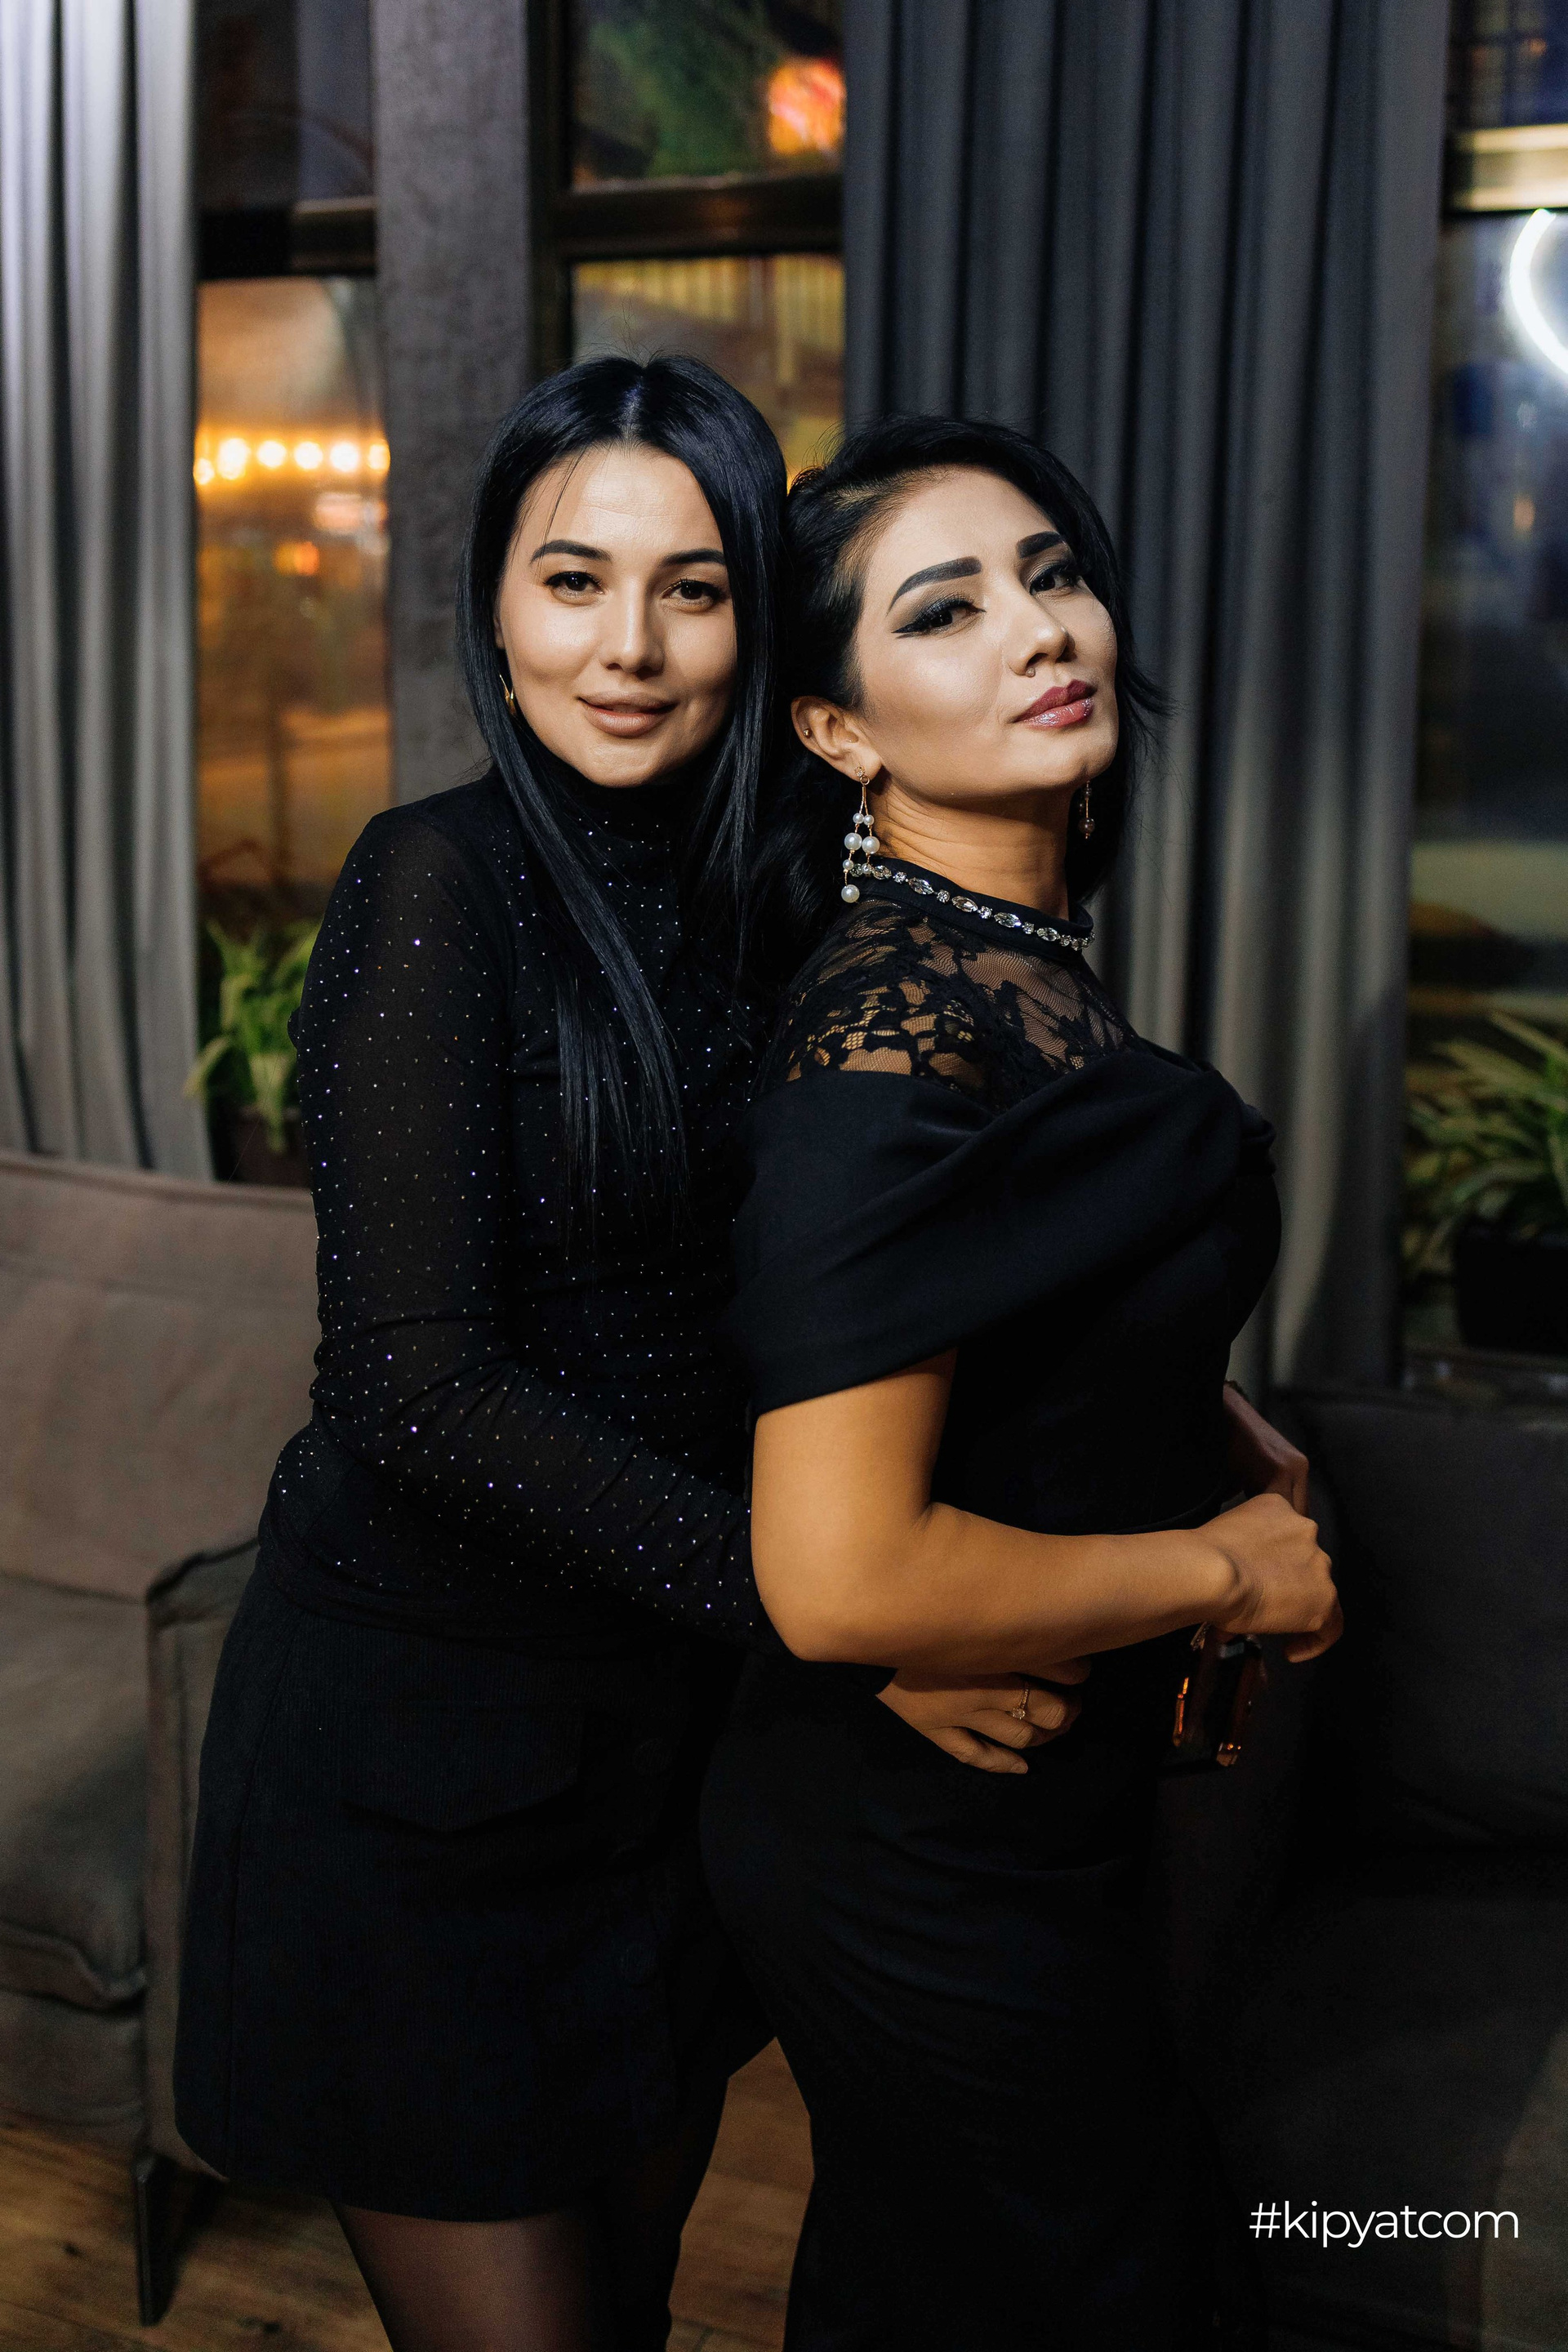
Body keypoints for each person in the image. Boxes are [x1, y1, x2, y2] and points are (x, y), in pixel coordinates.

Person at [173, 358, 1046, 2352]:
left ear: (763, 623)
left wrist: (1172, 1398)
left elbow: (872, 1265)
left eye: (694, 588)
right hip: (421, 1778)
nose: (628, 650)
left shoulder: (793, 895)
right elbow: (412, 1387)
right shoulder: (434, 882)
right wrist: (836, 1609)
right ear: (494, 603)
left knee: (633, 2310)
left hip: (669, 1763)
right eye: (573, 581)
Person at [702, 414, 1342, 2351]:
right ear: (838, 731)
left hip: (1044, 1809)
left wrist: (1184, 1407)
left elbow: (992, 1307)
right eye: (947, 609)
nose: (1041, 628)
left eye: (1051, 575)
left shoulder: (1011, 970)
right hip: (918, 1848)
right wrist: (1230, 1570)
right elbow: (841, 1577)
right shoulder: (894, 1038)